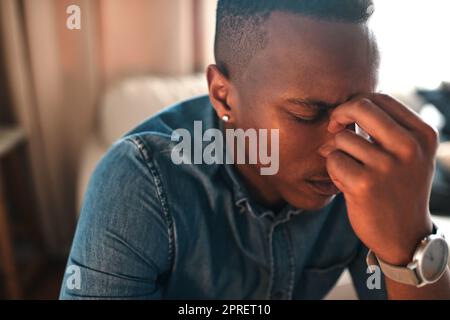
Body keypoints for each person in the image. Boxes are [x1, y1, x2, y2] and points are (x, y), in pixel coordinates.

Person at [60, 0, 450, 299]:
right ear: (223, 96)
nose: (342, 147)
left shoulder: (367, 176)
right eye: (307, 113)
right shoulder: (139, 184)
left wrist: (410, 240)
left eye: (360, 111)